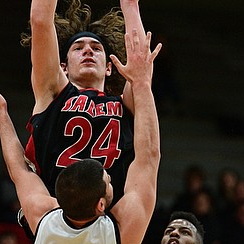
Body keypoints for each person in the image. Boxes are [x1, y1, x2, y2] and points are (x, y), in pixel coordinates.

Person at [0, 28, 161, 244]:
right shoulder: (116, 233)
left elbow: (20, 171)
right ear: (101, 205)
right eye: (108, 180)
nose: (87, 52)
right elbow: (149, 156)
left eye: (95, 48)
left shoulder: (47, 220)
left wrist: (1, 115)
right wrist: (141, 80)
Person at [21, 0, 150, 208]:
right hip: (57, 215)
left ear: (109, 67)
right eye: (78, 48)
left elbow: (140, 61)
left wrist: (130, 5)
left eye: (97, 48)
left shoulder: (127, 103)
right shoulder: (52, 93)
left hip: (109, 218)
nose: (88, 51)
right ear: (63, 67)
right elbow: (40, 21)